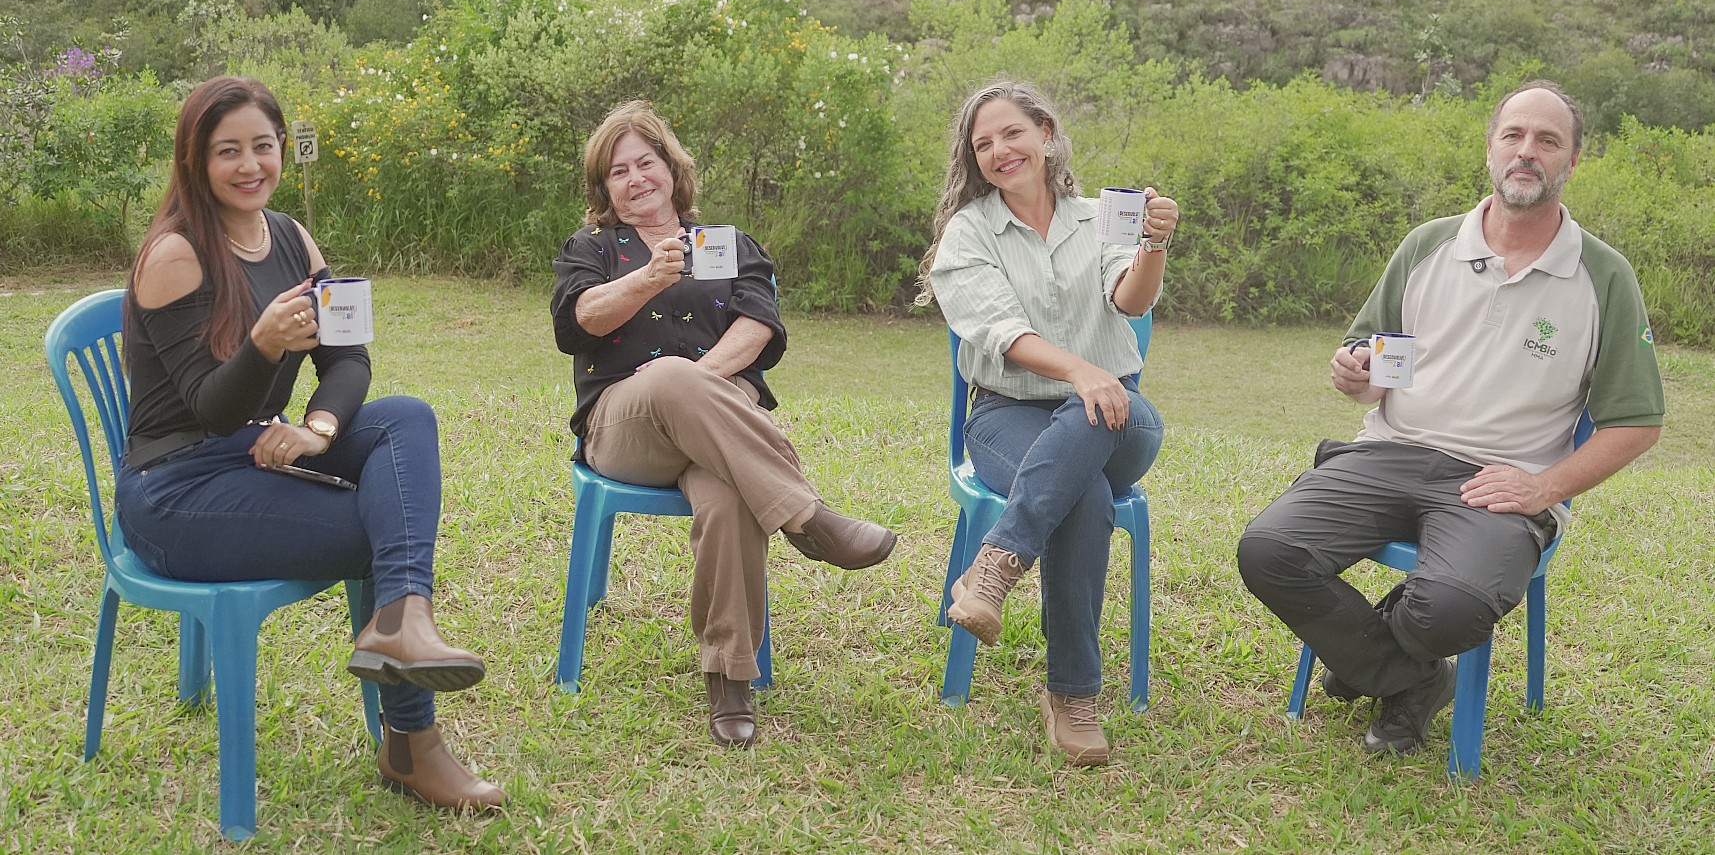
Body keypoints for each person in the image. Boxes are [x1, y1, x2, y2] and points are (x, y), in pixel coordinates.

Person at [1236, 81, 1666, 756]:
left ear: (1572, 160)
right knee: (1268, 550)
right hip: (1387, 453)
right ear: (1490, 147)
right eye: (1513, 135)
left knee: (1450, 610)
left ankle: (1372, 654)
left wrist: (1543, 487)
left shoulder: (1604, 276)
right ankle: (1411, 679)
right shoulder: (1427, 245)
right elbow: (1371, 362)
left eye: (1547, 140)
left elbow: (1637, 423)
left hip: (1498, 480)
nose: (1526, 152)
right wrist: (1355, 374)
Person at [115, 77, 504, 810]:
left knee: (405, 416)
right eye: (228, 151)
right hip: (175, 489)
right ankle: (412, 744)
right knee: (381, 527)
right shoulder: (175, 254)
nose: (250, 165)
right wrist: (262, 345)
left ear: (282, 149)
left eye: (263, 146)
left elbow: (348, 358)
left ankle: (405, 623)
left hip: (254, 451)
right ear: (195, 160)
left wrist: (317, 427)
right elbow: (210, 409)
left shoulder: (292, 238)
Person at [549, 100, 898, 749]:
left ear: (671, 168)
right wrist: (646, 280)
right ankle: (808, 517)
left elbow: (760, 323)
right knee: (666, 378)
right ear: (604, 189)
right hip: (625, 426)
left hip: (717, 430)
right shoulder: (591, 249)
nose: (635, 178)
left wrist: (696, 382)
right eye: (618, 171)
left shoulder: (726, 244)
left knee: (729, 490)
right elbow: (579, 321)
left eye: (645, 163)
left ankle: (730, 675)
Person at [920, 79, 1176, 766]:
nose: (999, 150)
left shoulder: (1102, 218)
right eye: (983, 144)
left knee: (1103, 416)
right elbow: (999, 332)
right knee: (1082, 494)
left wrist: (1152, 245)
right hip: (1007, 415)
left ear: (1046, 133)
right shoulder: (969, 232)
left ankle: (996, 562)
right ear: (974, 159)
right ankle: (1072, 694)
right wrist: (1080, 371)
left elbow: (1130, 300)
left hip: (1117, 415)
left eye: (1012, 133)